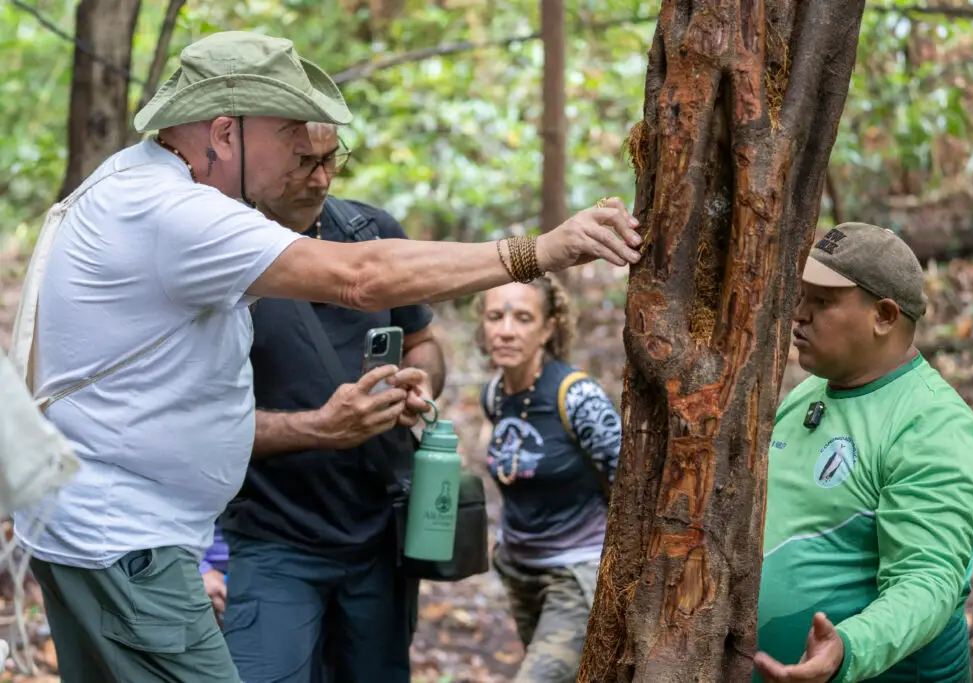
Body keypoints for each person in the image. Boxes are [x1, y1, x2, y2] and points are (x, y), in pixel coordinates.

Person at [11, 30, 641, 683]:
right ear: (225, 134)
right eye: (288, 134)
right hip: (128, 542)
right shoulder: (175, 212)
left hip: (99, 532)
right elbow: (359, 276)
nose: (305, 157)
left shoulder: (131, 178)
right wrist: (539, 251)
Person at [211, 121, 445, 682]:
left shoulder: (370, 230)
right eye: (302, 162)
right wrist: (320, 426)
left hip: (376, 532)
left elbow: (424, 341)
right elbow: (201, 421)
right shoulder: (221, 249)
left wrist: (421, 381)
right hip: (271, 538)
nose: (319, 178)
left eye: (330, 159)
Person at [752, 223, 973, 683]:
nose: (799, 315)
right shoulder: (809, 393)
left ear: (884, 316)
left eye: (822, 302)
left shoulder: (933, 428)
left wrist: (847, 648)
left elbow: (927, 582)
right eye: (801, 296)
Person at [477, 275, 622, 683]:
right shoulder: (494, 395)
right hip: (520, 570)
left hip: (576, 572)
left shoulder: (577, 397)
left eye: (523, 318)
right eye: (495, 317)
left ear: (548, 328)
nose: (506, 330)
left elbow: (629, 484)